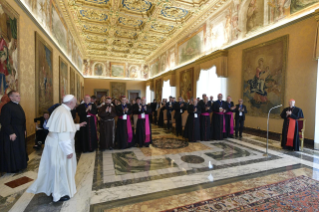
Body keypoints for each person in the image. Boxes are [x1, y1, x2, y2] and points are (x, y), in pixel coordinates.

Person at [27, 95, 87, 202]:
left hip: (53, 142)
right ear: (71, 102)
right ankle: (60, 193)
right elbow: (63, 134)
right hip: (59, 145)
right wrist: (68, 151)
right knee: (61, 168)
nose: (76, 105)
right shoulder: (64, 112)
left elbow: (64, 126)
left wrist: (78, 126)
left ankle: (53, 189)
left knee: (54, 168)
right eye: (75, 102)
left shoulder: (60, 109)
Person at [0, 91, 28, 173]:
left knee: (19, 148)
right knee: (13, 150)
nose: (19, 97)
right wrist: (11, 133)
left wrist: (24, 129)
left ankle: (20, 165)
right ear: (11, 97)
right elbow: (5, 122)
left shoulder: (18, 105)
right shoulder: (7, 107)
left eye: (19, 96)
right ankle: (12, 168)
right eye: (16, 96)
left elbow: (22, 119)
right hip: (11, 132)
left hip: (19, 131)